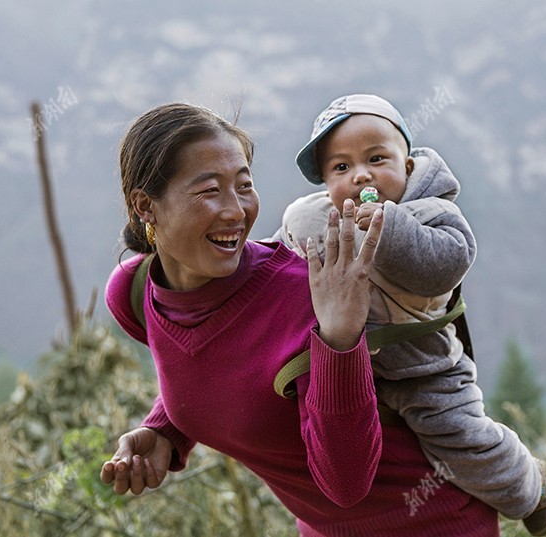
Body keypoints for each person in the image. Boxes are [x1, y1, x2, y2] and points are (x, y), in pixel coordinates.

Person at [100, 102, 502, 535]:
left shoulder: (304, 295)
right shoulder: (135, 294)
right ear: (145, 206)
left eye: (244, 185)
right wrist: (165, 430)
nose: (236, 211)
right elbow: (212, 361)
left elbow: (345, 484)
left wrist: (340, 341)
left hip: (433, 522)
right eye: (209, 190)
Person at [270, 93, 546, 535]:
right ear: (325, 183)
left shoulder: (432, 212)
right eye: (341, 167)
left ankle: (526, 487)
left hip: (427, 368)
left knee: (459, 436)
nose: (361, 174)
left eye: (376, 158)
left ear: (407, 166)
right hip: (352, 366)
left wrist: (388, 227)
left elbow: (443, 265)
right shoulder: (315, 218)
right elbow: (276, 261)